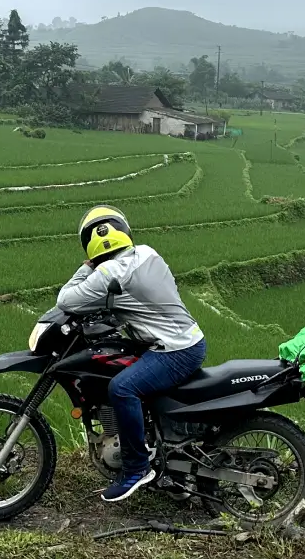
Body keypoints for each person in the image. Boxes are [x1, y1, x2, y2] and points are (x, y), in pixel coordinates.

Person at [56, 205, 206, 502]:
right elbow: (135, 300)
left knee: (122, 388)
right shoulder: (147, 253)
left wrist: (88, 266)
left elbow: (66, 301)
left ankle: (137, 468)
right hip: (184, 340)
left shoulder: (109, 272)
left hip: (174, 350)